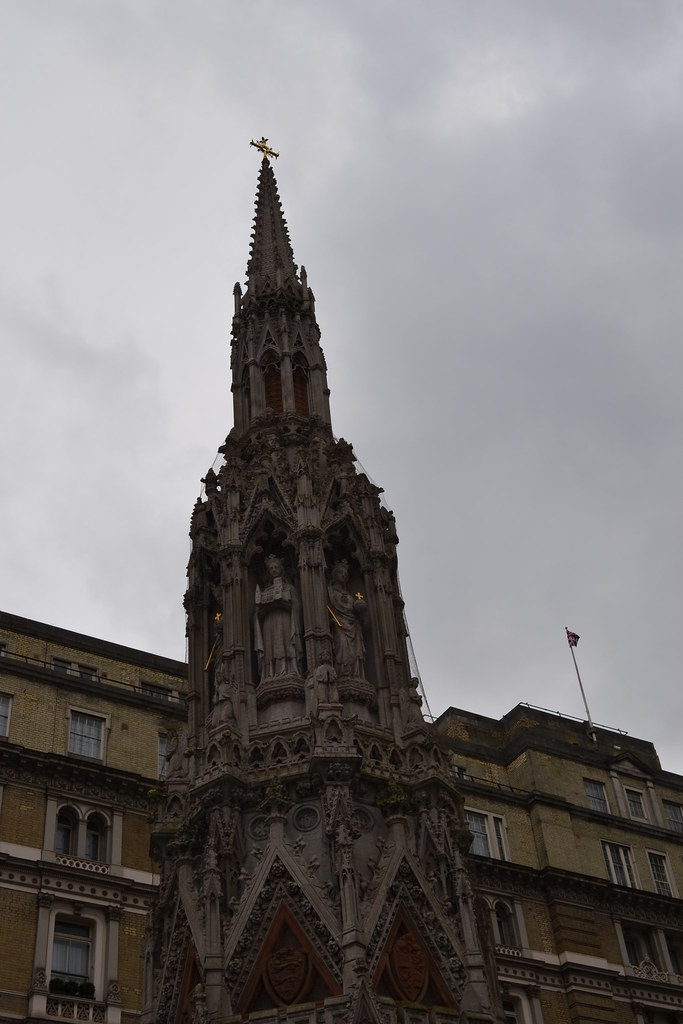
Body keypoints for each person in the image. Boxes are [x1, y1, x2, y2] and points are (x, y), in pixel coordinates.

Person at [254, 555, 302, 682]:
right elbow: (258, 614)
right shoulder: (264, 591)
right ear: (268, 572)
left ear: (282, 569)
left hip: (285, 619)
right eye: (271, 568)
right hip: (269, 622)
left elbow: (297, 607)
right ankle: (270, 674)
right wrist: (261, 608)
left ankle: (290, 670)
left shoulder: (289, 588)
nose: (274, 570)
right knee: (271, 648)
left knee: (285, 644)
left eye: (276, 567)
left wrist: (285, 603)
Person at [327, 560, 366, 678]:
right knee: (342, 646)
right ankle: (343, 674)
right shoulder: (329, 591)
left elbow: (355, 613)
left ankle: (355, 675)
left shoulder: (349, 595)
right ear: (334, 575)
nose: (343, 575)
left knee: (356, 652)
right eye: (340, 572)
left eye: (345, 573)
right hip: (338, 625)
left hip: (353, 625)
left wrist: (360, 608)